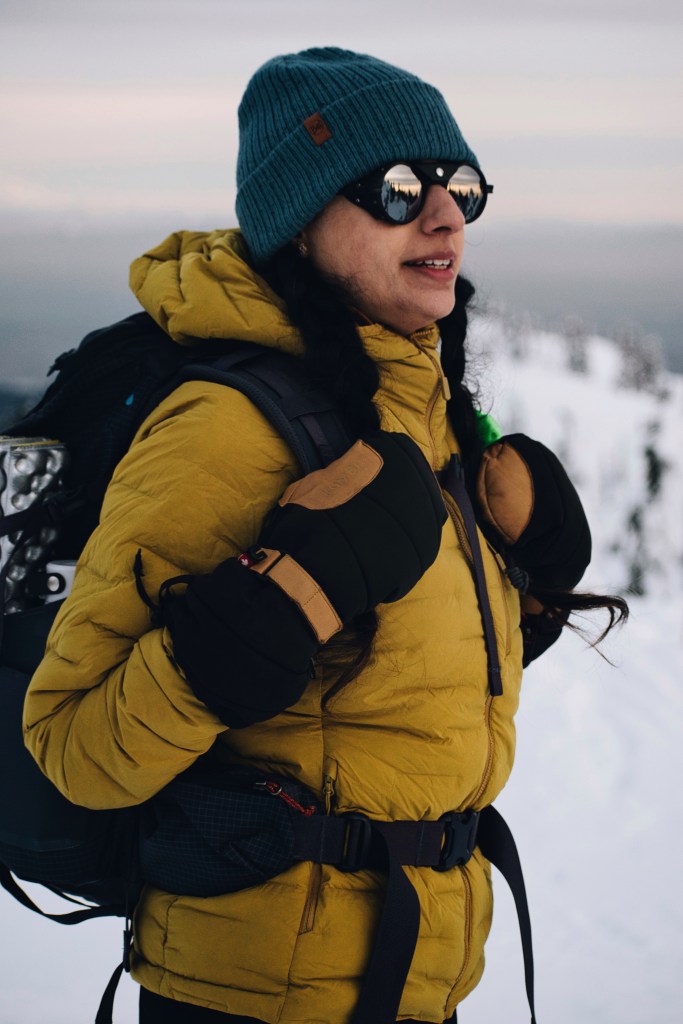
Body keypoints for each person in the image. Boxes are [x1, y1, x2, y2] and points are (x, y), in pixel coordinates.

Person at [23, 47, 626, 1024]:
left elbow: (372, 695)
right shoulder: (226, 427)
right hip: (253, 992)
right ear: (298, 222)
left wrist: (533, 588)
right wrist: (264, 615)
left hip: (403, 973)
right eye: (398, 190)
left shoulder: (416, 408)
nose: (444, 216)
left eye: (460, 186)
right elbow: (74, 746)